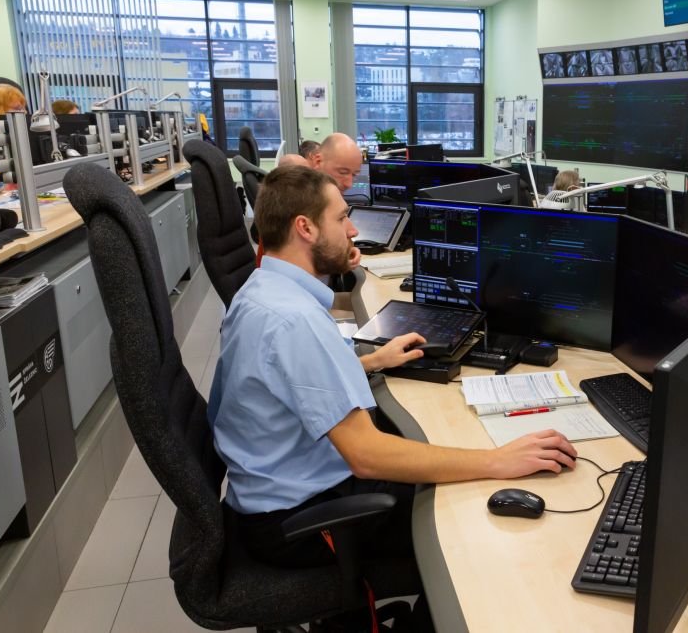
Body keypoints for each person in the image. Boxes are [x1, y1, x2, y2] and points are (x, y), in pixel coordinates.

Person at [210, 164, 577, 622]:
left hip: (272, 494)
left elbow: (286, 380)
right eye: (341, 218)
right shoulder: (295, 321)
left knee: (440, 470)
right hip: (298, 520)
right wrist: (498, 460)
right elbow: (367, 456)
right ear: (305, 228)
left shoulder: (263, 291)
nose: (353, 230)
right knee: (466, 521)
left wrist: (368, 362)